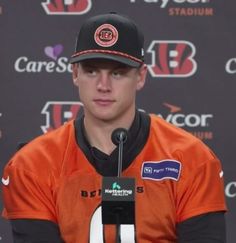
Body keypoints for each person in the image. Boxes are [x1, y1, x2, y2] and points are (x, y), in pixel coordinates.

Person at [1, 12, 227, 243]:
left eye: (117, 73)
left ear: (140, 77)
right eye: (91, 71)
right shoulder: (32, 165)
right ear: (75, 74)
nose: (103, 85)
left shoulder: (192, 159)